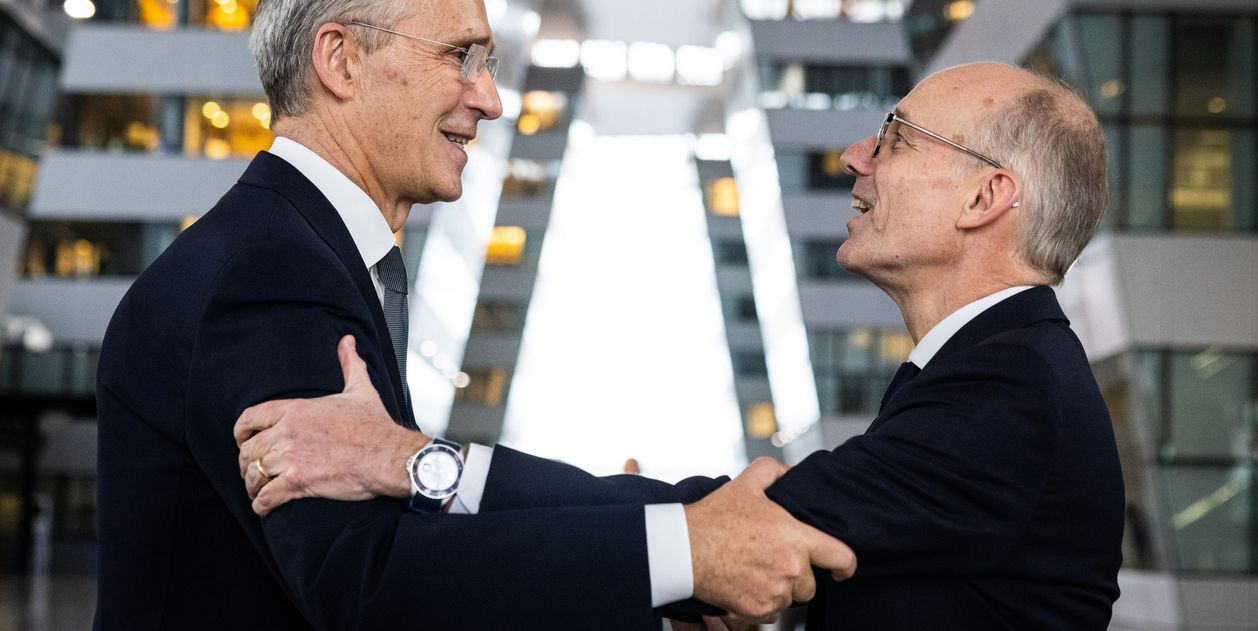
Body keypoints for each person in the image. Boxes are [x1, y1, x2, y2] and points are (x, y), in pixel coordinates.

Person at [93, 0, 853, 631]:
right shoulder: (268, 272)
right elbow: (368, 580)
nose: (488, 98)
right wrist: (683, 550)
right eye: (462, 56)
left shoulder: (294, 251)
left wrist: (696, 527)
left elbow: (415, 511)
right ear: (341, 58)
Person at [237, 60, 1126, 630]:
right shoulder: (991, 373)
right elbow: (749, 541)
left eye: (896, 135)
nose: (857, 155)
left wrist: (410, 461)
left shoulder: (1006, 395)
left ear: (986, 199)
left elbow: (735, 529)